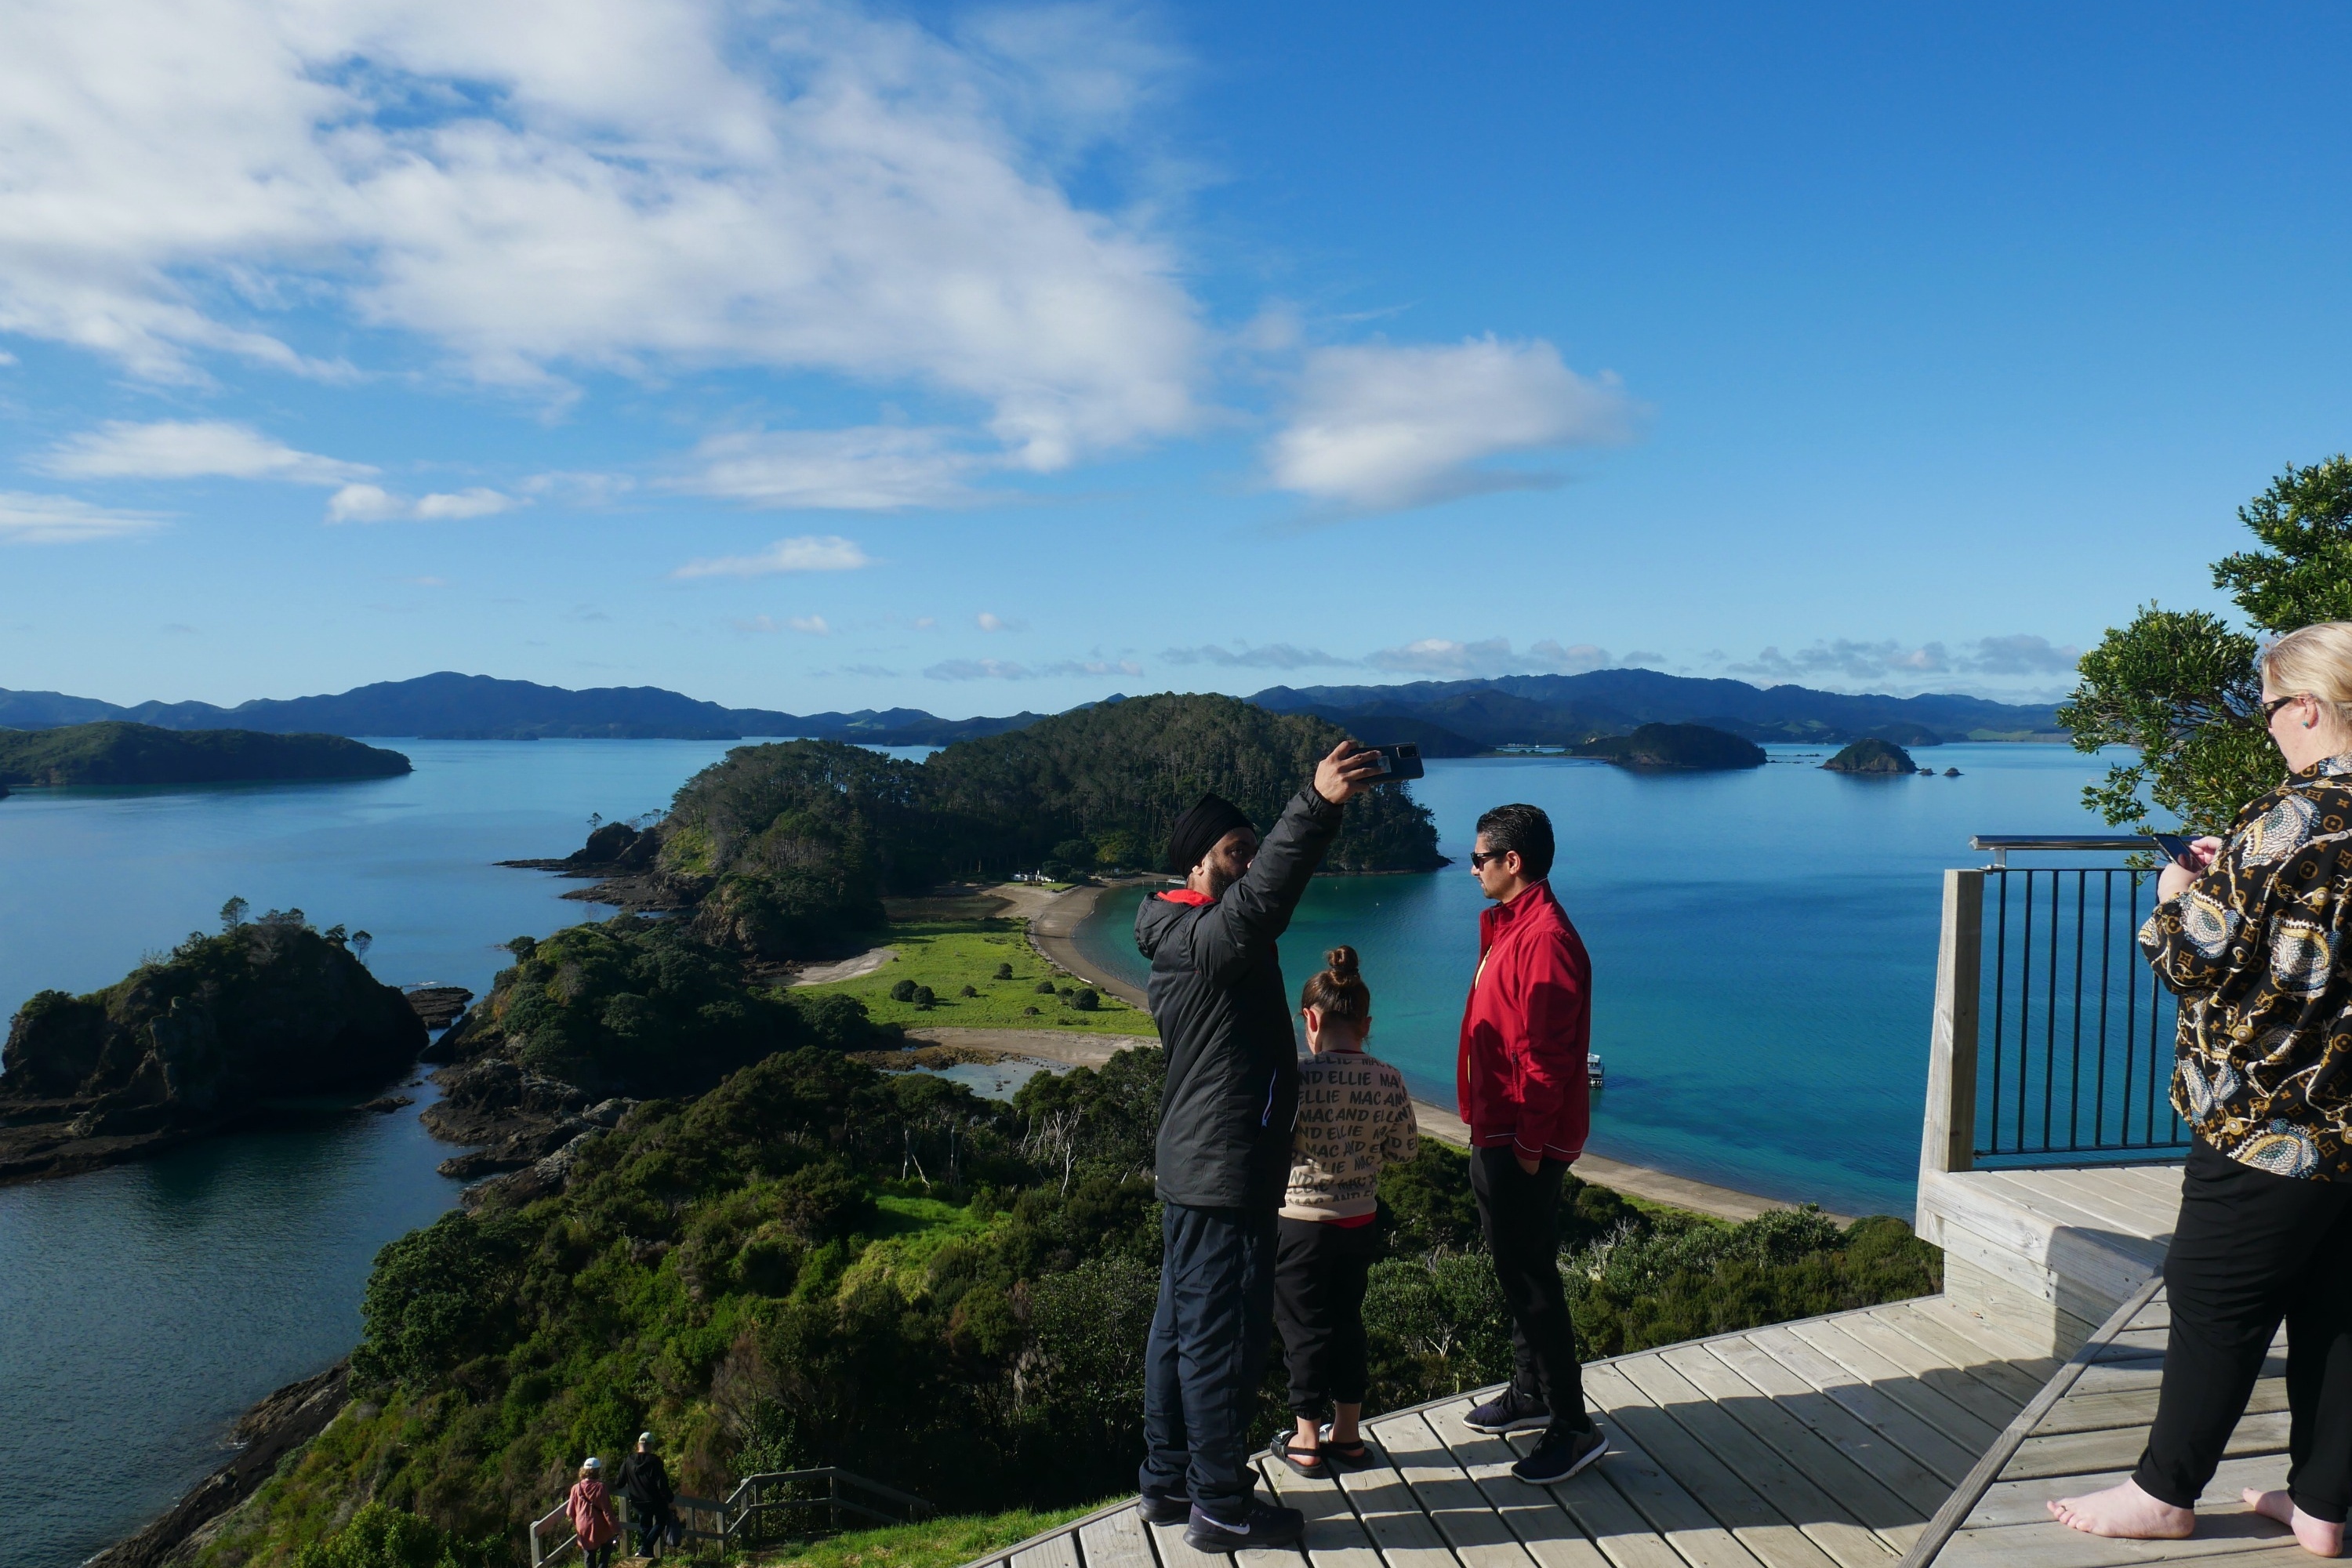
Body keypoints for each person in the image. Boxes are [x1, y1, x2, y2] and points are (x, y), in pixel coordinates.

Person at [2050, 622, 2352, 1556]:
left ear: (2307, 707)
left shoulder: (2288, 821)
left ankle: (2165, 1490)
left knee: (2215, 1297)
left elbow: (2191, 961)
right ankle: (2325, 1504)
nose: (2269, 730)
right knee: (2342, 1303)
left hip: (2269, 1110)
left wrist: (2173, 888)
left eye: (2270, 710)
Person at [1136, 741, 1388, 1554]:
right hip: (1225, 1169)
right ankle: (1219, 1502)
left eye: (1251, 849)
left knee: (1180, 1328)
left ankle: (1168, 1479)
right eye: (1234, 851)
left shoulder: (1187, 933)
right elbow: (1260, 908)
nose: (1247, 864)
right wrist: (1314, 806)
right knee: (1222, 1339)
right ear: (1196, 866)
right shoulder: (1205, 936)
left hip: (1199, 1164)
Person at [1456, 802, 1606, 1485]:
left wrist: (1527, 1144)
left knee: (1530, 1276)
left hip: (1520, 1136)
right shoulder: (1513, 927)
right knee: (1516, 1266)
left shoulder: (1542, 938)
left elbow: (1544, 1056)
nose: (1473, 868)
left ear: (1512, 862)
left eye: (1480, 858)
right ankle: (1530, 1390)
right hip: (1501, 1126)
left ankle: (1572, 1426)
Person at [1269, 945, 1420, 1480]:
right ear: (1366, 1023)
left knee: (1302, 1327)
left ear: (1309, 1019)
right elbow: (1404, 1152)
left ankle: (1306, 1439)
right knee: (1347, 1323)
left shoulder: (1296, 1078)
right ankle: (1349, 1435)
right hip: (1360, 1221)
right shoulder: (1389, 1079)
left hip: (1300, 1224)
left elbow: (1269, 1148)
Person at [617, 1431, 673, 1560]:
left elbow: (619, 1483)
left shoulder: (628, 1461)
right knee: (661, 1522)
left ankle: (646, 1553)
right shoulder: (655, 1462)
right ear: (650, 1445)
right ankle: (644, 1550)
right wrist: (670, 1499)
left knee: (645, 1527)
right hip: (655, 1501)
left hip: (638, 1501)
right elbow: (662, 1484)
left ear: (638, 1444)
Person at [566, 1457, 619, 1568]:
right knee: (607, 1546)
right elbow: (607, 1512)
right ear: (597, 1471)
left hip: (583, 1526)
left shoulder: (576, 1488)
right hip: (600, 1526)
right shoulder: (600, 1487)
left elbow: (569, 1512)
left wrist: (579, 1523)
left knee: (589, 1556)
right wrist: (617, 1529)